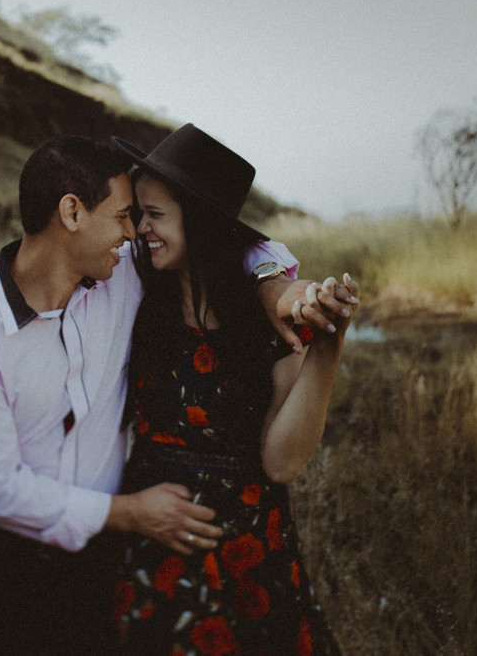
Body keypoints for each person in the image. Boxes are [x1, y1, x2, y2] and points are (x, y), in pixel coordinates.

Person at [0, 134, 351, 655]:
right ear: (71, 213)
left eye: (140, 217)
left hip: (98, 559)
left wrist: (273, 284)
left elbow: (228, 240)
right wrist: (128, 513)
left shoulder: (122, 273)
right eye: (125, 216)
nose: (132, 233)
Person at [109, 124, 358, 654]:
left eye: (154, 215)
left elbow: (282, 463)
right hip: (152, 539)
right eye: (138, 213)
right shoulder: (135, 292)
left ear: (197, 224)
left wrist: (326, 350)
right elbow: (261, 253)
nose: (140, 228)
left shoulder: (265, 322)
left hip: (247, 549)